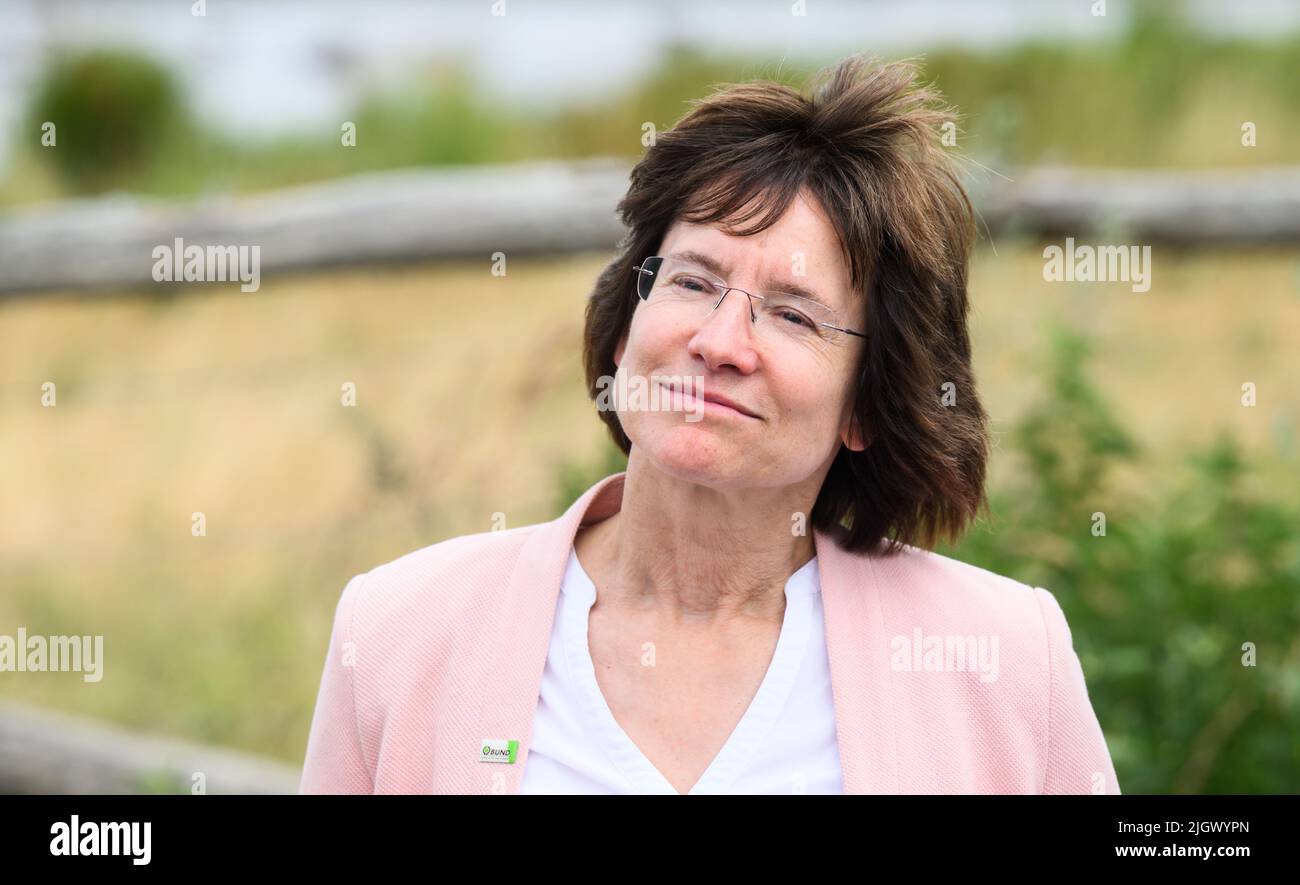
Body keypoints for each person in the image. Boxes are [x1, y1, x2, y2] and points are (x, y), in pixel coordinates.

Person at [299, 54, 1120, 795]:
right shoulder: (397, 630)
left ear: (870, 403)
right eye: (693, 283)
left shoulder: (1006, 658)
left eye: (794, 316)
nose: (720, 343)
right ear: (626, 329)